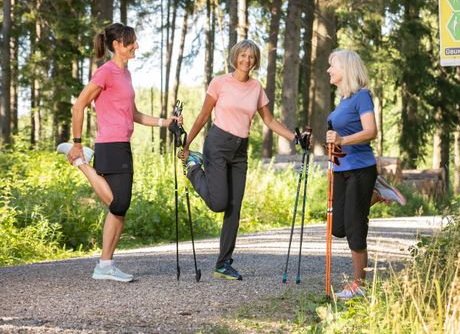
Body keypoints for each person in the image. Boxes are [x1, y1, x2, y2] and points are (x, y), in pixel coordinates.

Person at [57, 23, 182, 282]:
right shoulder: (105, 73)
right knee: (119, 203)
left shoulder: (126, 75)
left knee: (119, 211)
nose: (136, 45)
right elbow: (79, 105)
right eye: (131, 42)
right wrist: (77, 141)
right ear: (117, 45)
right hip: (110, 144)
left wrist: (164, 122)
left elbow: (134, 114)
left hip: (121, 144)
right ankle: (80, 159)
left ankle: (105, 265)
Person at [180, 39, 310, 281]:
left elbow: (269, 121)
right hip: (217, 145)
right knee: (219, 202)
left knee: (234, 207)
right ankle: (194, 169)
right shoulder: (219, 83)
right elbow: (203, 115)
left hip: (240, 151)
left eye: (251, 57)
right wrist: (187, 146)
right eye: (243, 55)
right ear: (235, 57)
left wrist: (295, 137)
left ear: (255, 60)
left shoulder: (257, 87)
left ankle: (223, 263)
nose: (246, 60)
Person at [325, 49, 405, 301]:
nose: (329, 70)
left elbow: (371, 131)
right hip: (341, 169)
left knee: (354, 226)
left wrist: (342, 139)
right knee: (337, 227)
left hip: (360, 168)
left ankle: (359, 286)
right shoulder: (343, 100)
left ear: (346, 69)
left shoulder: (362, 97)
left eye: (332, 66)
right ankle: (375, 194)